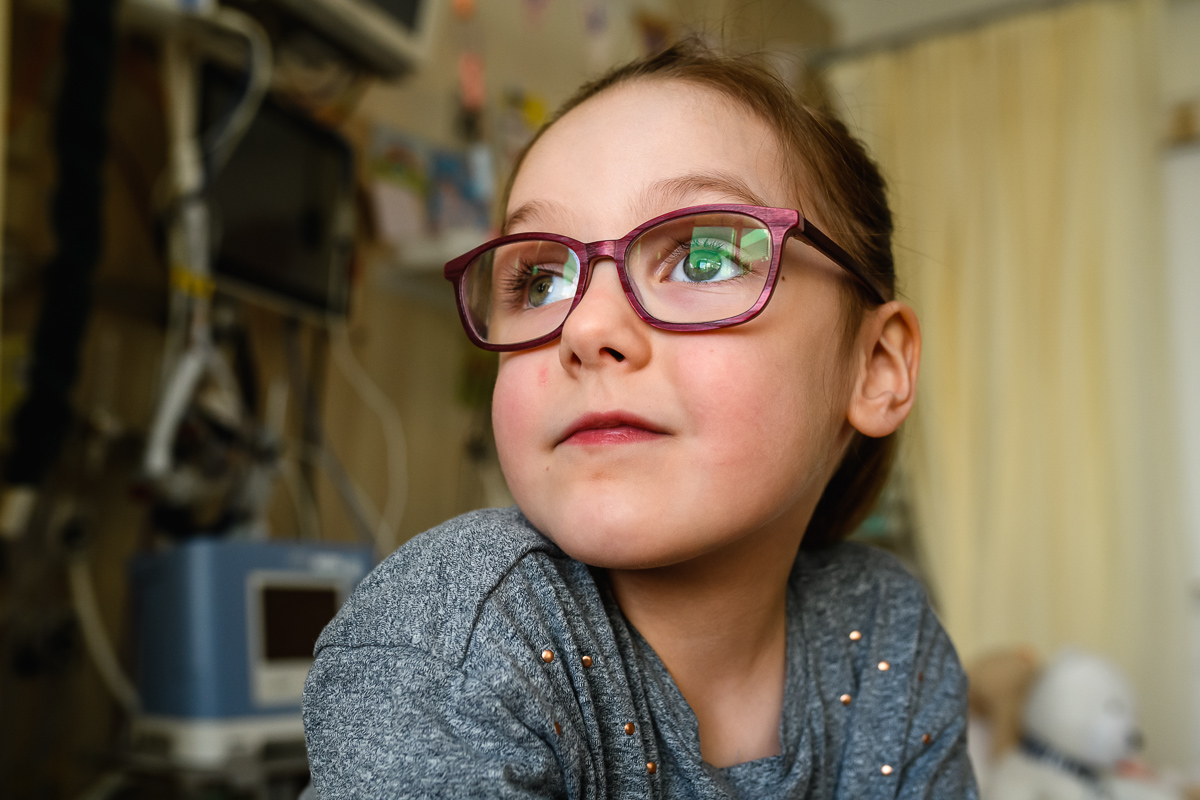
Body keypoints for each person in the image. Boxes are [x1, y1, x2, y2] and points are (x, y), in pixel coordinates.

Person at [303, 40, 977, 799]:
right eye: (543, 279)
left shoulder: (883, 631)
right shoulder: (450, 638)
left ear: (876, 367)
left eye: (703, 259)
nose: (587, 329)